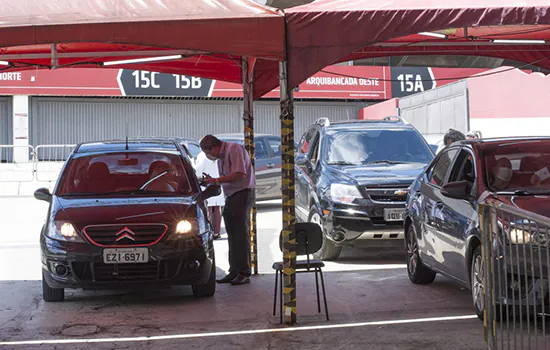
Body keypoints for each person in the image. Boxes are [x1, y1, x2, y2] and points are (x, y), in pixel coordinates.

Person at [199, 135, 255, 286]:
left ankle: (244, 272)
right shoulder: (221, 157)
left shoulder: (234, 149)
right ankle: (234, 270)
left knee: (240, 234)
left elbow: (239, 174)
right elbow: (227, 177)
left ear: (214, 147)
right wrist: (212, 180)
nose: (208, 156)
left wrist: (216, 180)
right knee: (232, 233)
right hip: (231, 195)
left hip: (242, 193)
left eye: (207, 152)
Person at [194, 150, 225, 239]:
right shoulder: (219, 155)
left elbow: (198, 171)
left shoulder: (202, 156)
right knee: (217, 209)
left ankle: (210, 232)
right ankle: (217, 232)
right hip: (218, 183)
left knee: (209, 209)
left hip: (207, 183)